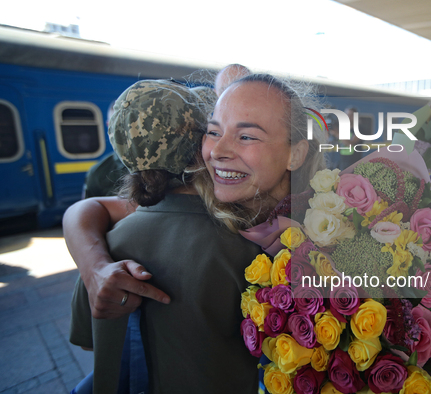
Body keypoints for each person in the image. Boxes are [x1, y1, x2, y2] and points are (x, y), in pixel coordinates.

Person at [64, 74, 326, 392]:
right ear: (198, 145)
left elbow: (89, 344)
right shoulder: (252, 249)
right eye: (214, 132)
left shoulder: (104, 251)